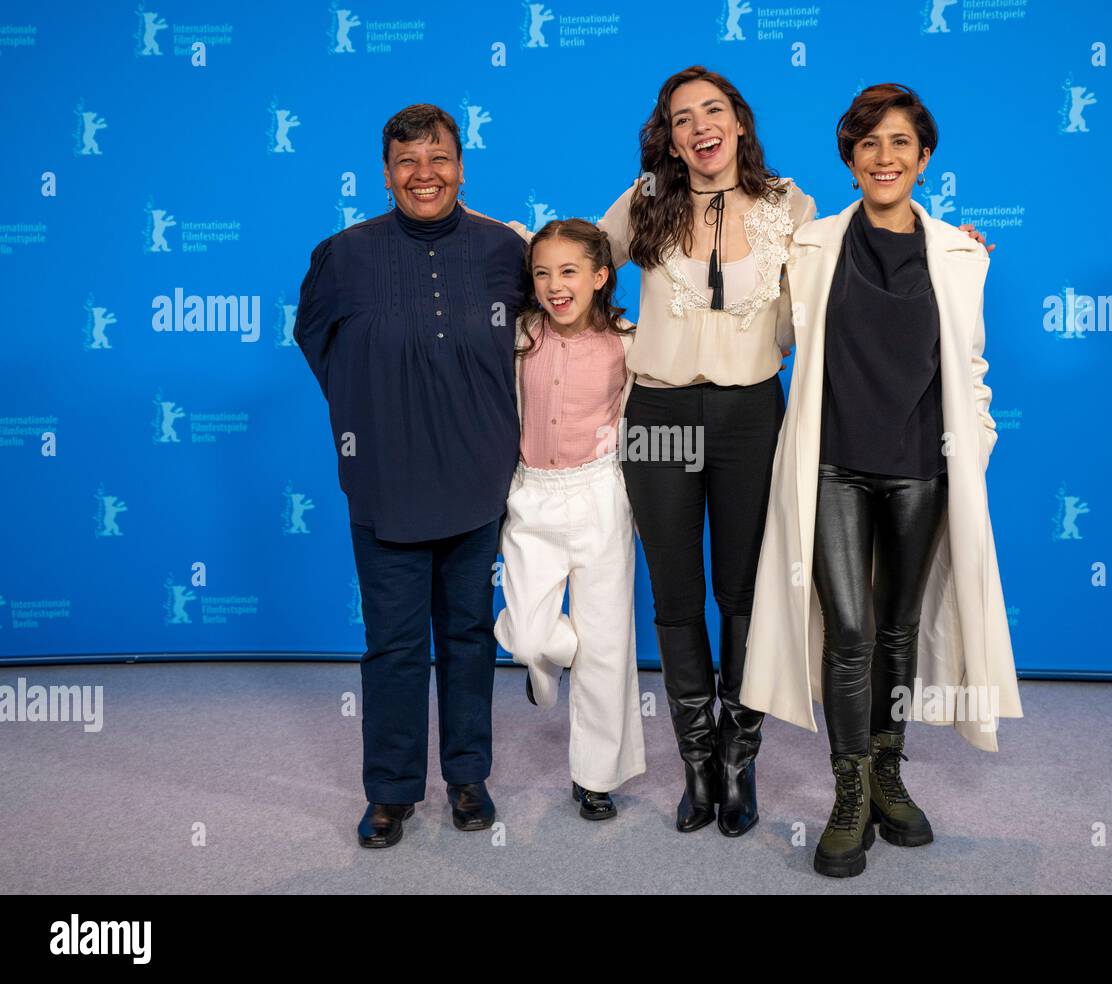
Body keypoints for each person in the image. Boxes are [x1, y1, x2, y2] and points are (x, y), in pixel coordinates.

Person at [740, 84, 1023, 877]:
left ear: (924, 158)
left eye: (901, 143)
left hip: (921, 469)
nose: (885, 157)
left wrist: (977, 444)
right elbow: (766, 322)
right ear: (851, 159)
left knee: (898, 631)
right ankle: (849, 791)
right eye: (868, 144)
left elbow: (970, 367)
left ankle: (890, 772)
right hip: (831, 465)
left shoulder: (962, 255)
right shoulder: (810, 244)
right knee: (852, 633)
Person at [294, 103, 529, 848]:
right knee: (394, 644)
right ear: (386, 173)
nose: (424, 175)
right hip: (385, 479)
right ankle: (391, 790)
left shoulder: (504, 250)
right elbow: (315, 338)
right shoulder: (344, 253)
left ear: (462, 166)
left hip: (478, 476)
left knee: (467, 635)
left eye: (439, 159)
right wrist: (373, 407)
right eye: (407, 162)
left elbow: (547, 328)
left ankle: (467, 777)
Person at [597, 66, 815, 837]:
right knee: (677, 592)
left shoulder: (792, 206)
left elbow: (840, 280)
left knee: (745, 591)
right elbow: (575, 262)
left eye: (712, 110)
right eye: (681, 117)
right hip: (659, 409)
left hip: (751, 412)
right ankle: (696, 759)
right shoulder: (647, 199)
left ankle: (739, 756)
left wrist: (951, 253)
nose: (699, 126)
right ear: (671, 135)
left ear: (740, 122)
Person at [493, 219, 646, 821]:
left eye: (569, 272)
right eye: (542, 273)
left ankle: (595, 777)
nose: (556, 286)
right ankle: (545, 664)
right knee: (529, 635)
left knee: (607, 645)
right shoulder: (519, 334)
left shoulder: (627, 340)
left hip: (601, 495)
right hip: (531, 495)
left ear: (600, 277)